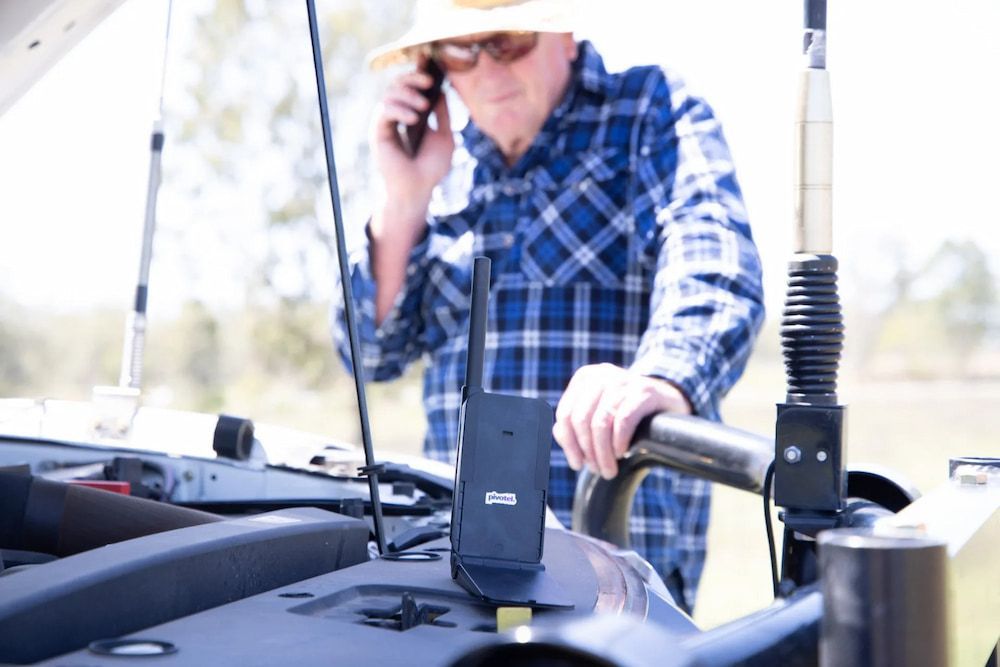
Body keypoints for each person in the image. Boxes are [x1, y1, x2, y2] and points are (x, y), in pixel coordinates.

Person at [332, 0, 764, 612]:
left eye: (507, 39)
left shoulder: (648, 110)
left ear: (561, 29)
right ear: (433, 72)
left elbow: (714, 262)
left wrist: (659, 377)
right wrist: (403, 201)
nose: (487, 70)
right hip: (453, 567)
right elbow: (366, 353)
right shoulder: (438, 170)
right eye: (461, 50)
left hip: (611, 561)